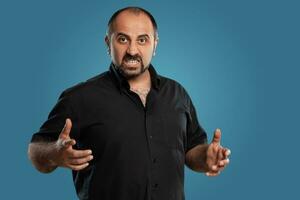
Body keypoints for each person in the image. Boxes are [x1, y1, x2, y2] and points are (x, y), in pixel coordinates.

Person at [28, 6, 231, 200]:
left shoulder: (177, 93)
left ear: (155, 44)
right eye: (123, 39)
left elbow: (190, 150)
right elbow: (36, 150)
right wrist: (54, 153)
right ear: (108, 42)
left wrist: (205, 158)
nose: (132, 50)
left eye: (142, 40)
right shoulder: (80, 97)